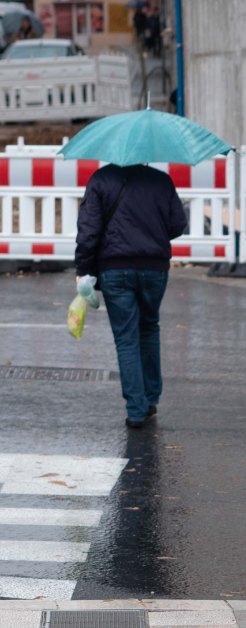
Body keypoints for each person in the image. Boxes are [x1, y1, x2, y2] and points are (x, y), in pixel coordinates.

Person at [74, 163, 187, 429]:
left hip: (114, 269)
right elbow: (178, 225)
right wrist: (152, 234)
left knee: (126, 338)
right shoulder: (162, 180)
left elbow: (88, 230)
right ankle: (150, 399)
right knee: (149, 328)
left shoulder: (100, 180)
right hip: (154, 268)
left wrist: (83, 269)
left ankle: (136, 410)